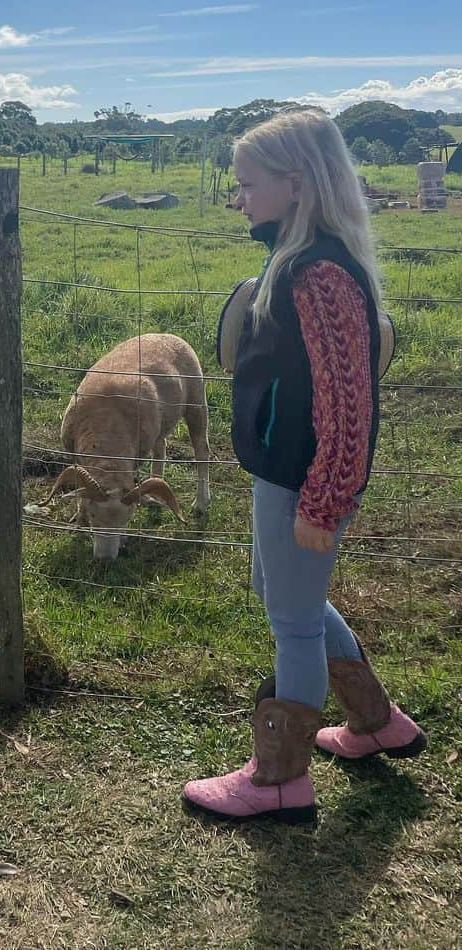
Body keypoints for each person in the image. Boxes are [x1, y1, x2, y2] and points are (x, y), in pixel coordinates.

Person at [183, 109, 426, 824]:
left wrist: (323, 500)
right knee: (280, 589)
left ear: (295, 184)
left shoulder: (320, 274)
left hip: (305, 477)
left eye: (247, 183)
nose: (239, 198)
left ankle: (279, 779)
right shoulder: (298, 259)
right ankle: (376, 722)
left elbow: (348, 402)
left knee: (291, 618)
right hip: (286, 470)